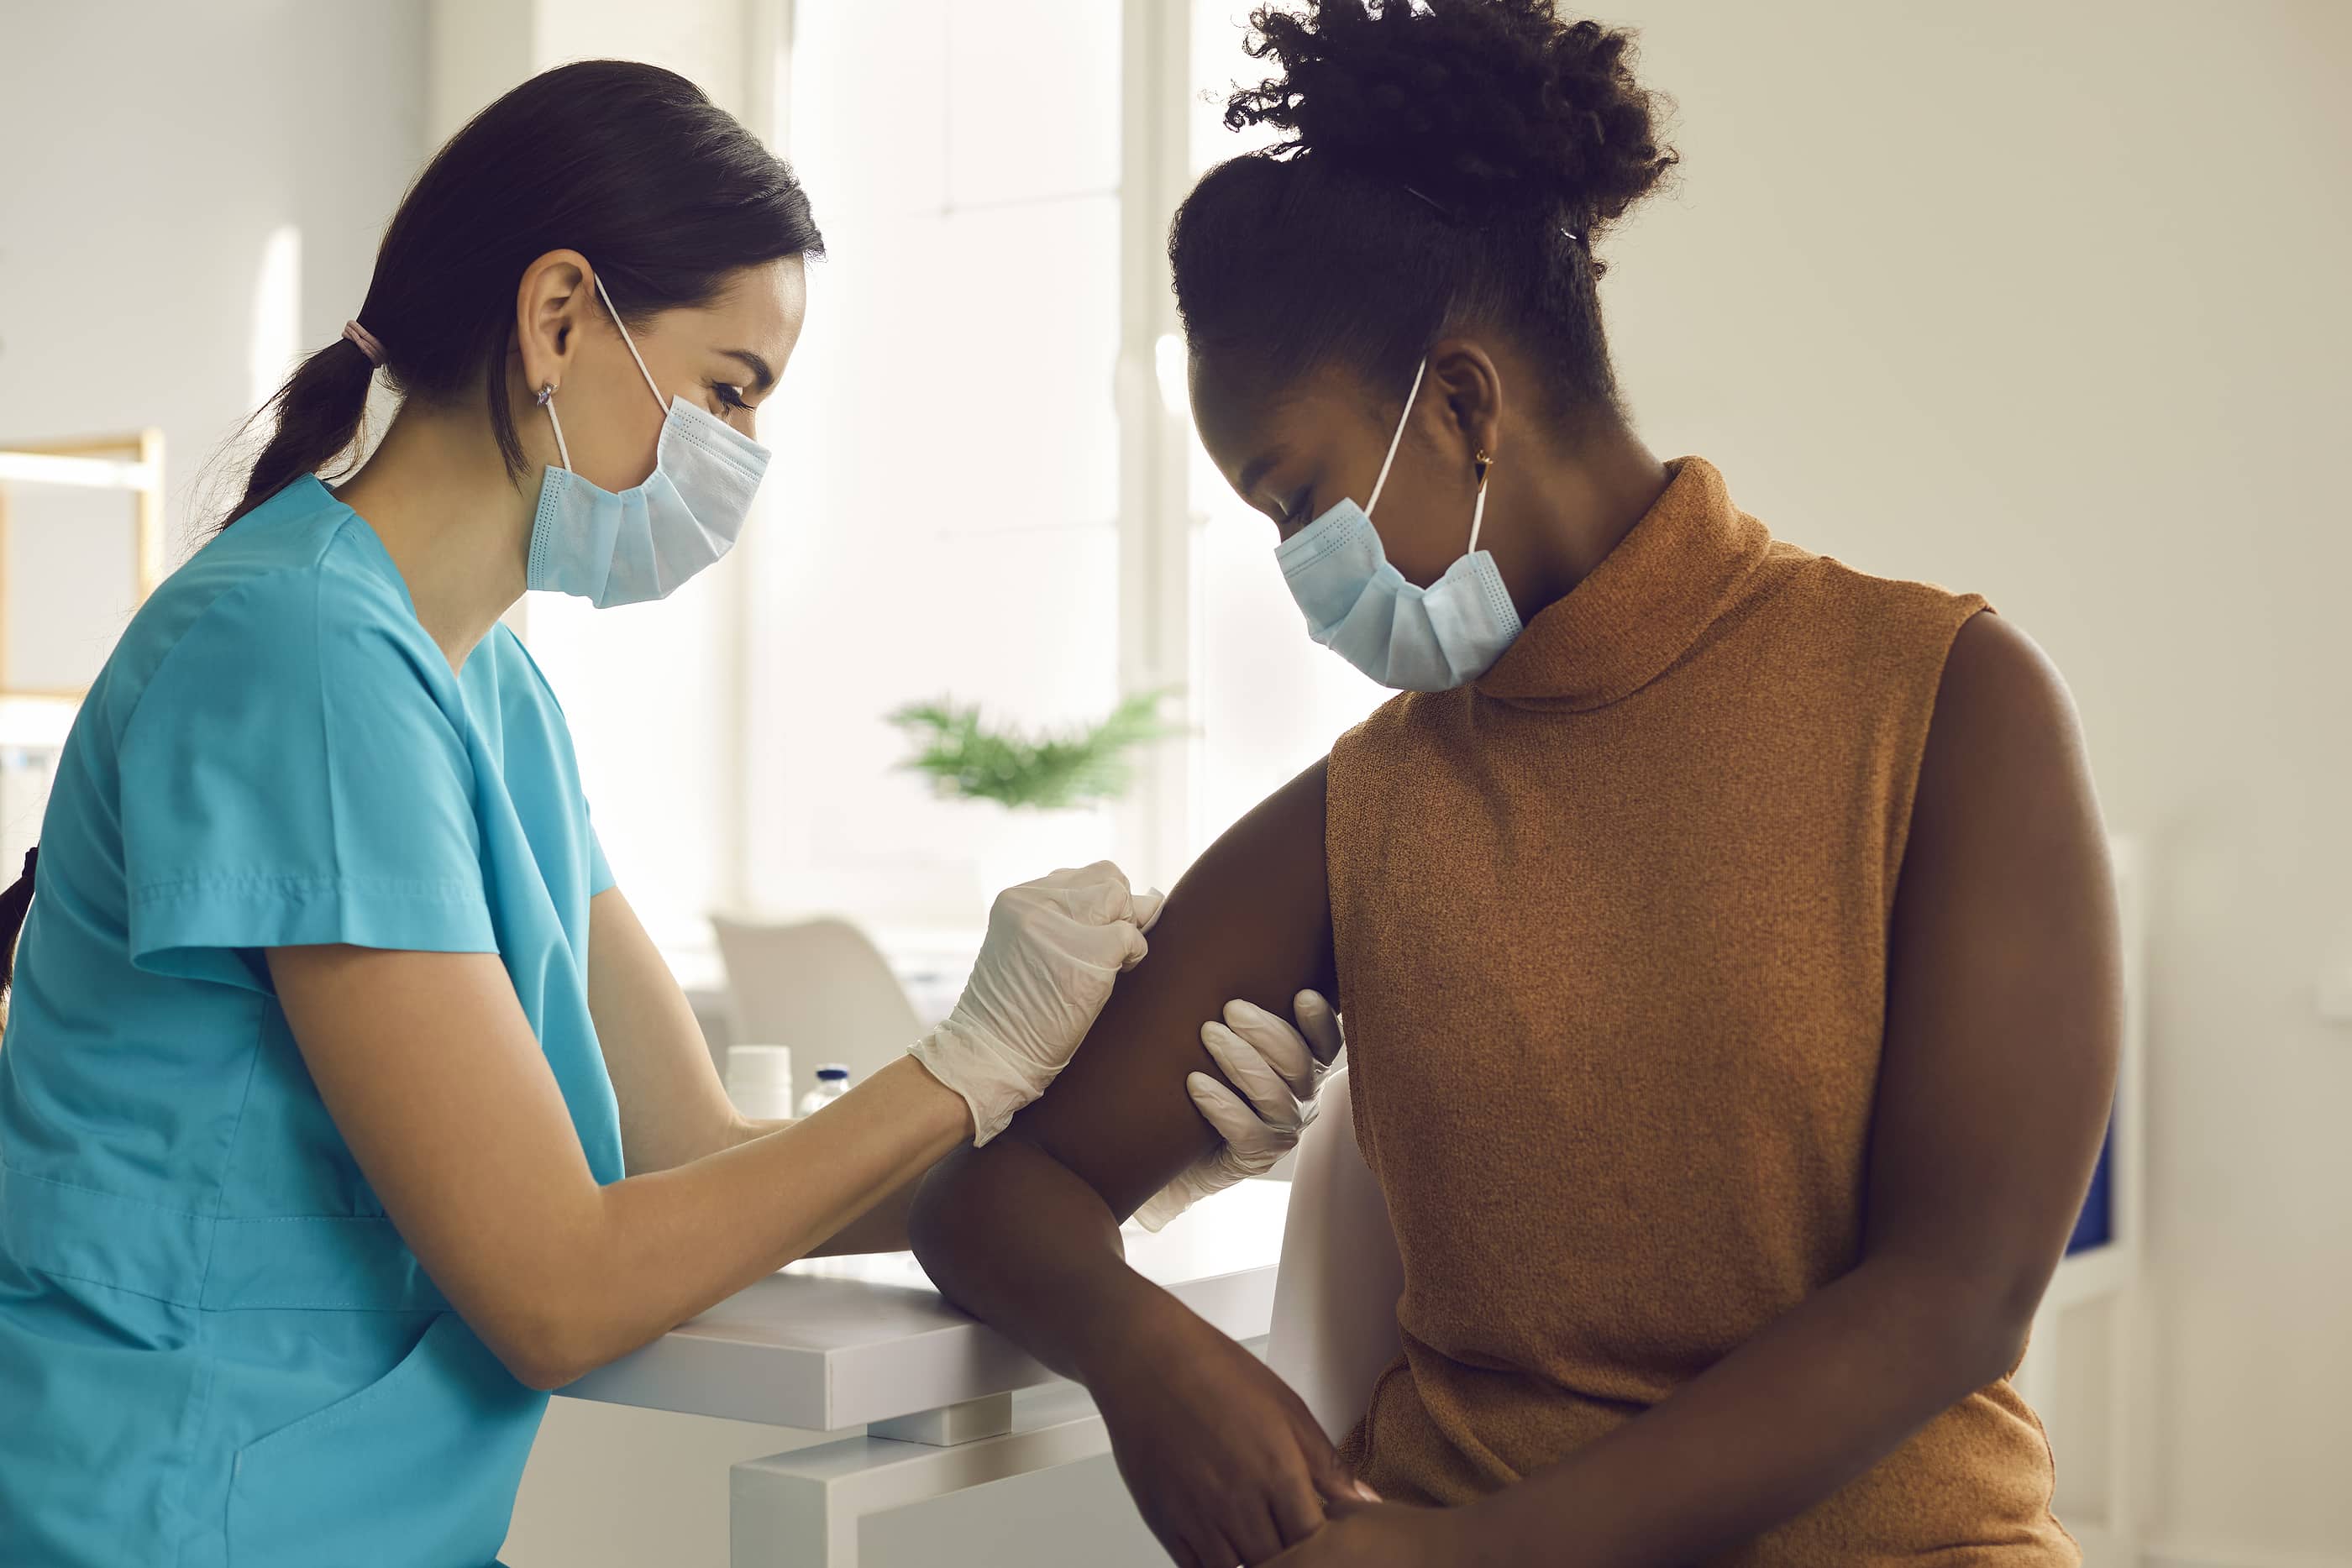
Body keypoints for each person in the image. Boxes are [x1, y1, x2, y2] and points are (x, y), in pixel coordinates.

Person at [0, 61, 1330, 1568]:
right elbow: (556, 1288)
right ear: (558, 316)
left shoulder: (485, 690)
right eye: (728, 390)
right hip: (177, 1515)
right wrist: (963, 1063)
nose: (742, 458)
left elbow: (682, 1150)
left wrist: (1108, 1155)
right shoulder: (300, 655)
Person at [907, 4, 2121, 1566]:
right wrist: (1146, 1355)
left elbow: (1954, 1296)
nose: (1296, 571)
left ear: (1468, 406)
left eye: (1300, 499)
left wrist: (1479, 1559)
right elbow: (997, 1203)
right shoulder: (1373, 809)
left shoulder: (1949, 703)